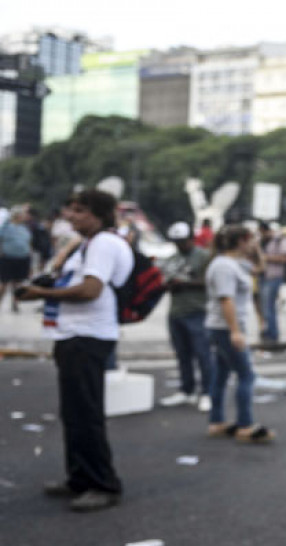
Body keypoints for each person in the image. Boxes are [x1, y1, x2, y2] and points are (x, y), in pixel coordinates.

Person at [15, 189, 134, 512]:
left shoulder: (105, 244)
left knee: (87, 414)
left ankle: (103, 484)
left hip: (89, 336)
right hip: (75, 335)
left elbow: (91, 290)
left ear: (98, 214)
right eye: (70, 210)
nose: (70, 216)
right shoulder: (88, 244)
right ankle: (80, 478)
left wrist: (41, 293)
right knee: (74, 414)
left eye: (80, 211)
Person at [204, 224, 274, 443]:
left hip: (222, 327)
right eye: (252, 239)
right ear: (242, 240)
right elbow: (227, 300)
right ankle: (245, 425)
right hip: (225, 328)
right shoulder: (224, 266)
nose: (256, 243)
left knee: (221, 373)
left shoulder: (234, 264)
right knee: (246, 375)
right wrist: (235, 331)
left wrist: (255, 251)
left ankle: (217, 422)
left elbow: (260, 269)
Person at [158, 222, 214, 411]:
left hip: (197, 310)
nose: (179, 245)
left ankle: (208, 392)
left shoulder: (203, 256)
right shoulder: (173, 258)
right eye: (176, 242)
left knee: (203, 354)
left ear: (191, 239)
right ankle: (186, 390)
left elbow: (211, 282)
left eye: (182, 241)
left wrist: (186, 284)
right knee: (182, 354)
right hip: (176, 311)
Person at [259, 222, 286, 343]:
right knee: (264, 307)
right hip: (263, 276)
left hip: (274, 276)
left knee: (269, 307)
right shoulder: (263, 241)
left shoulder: (281, 240)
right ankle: (268, 331)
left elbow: (284, 258)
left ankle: (273, 333)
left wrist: (265, 257)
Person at [0, 206, 33, 313]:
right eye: (21, 215)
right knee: (4, 283)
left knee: (17, 284)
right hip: (8, 258)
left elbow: (28, 244)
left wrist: (30, 259)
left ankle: (15, 303)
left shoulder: (24, 228)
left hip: (22, 258)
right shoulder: (6, 227)